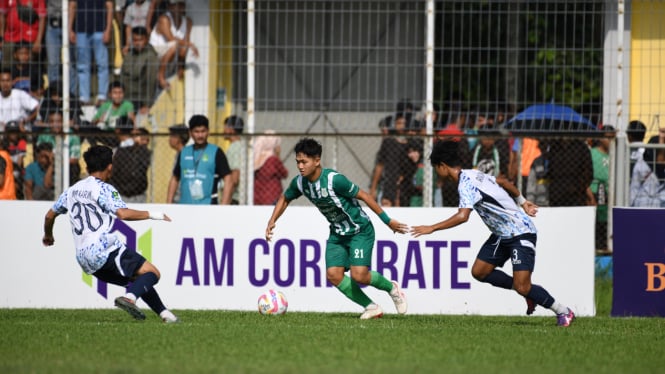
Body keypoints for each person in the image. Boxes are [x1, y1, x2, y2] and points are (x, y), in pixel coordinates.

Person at [410, 140, 575, 327]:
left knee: (523, 286)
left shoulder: (465, 184)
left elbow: (463, 216)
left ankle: (564, 311)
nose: (436, 172)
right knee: (479, 272)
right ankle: (529, 293)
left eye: (435, 168)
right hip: (501, 234)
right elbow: (503, 181)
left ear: (442, 166)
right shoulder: (473, 173)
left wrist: (432, 228)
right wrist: (522, 201)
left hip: (520, 232)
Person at [265, 138, 409, 319]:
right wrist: (272, 220)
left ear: (317, 161)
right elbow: (285, 198)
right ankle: (371, 307)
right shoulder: (300, 183)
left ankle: (392, 289)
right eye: (298, 162)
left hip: (359, 230)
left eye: (304, 162)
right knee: (333, 274)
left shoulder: (334, 180)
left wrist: (387, 220)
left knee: (359, 276)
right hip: (337, 233)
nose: (300, 166)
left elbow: (364, 195)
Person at [42, 145, 178, 322]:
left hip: (84, 259)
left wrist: (48, 235)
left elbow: (49, 215)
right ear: (109, 166)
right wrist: (154, 215)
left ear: (87, 166)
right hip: (103, 249)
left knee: (136, 280)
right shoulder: (104, 189)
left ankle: (166, 315)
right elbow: (123, 214)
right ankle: (129, 299)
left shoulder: (72, 190)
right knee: (153, 273)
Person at [166, 114, 233, 205]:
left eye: (203, 131)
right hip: (184, 206)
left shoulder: (216, 152)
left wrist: (223, 206)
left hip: (208, 207)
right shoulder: (184, 152)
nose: (200, 135)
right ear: (190, 133)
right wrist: (169, 204)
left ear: (208, 131)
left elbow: (228, 179)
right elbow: (175, 178)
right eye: (196, 132)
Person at [68, 0, 113, 105]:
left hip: (100, 29)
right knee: (82, 66)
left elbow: (109, 6)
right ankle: (84, 97)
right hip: (81, 30)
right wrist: (70, 29)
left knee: (102, 64)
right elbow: (72, 5)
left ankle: (102, 95)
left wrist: (108, 29)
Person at [149, 0, 198, 90]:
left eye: (182, 5)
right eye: (177, 5)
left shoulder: (187, 22)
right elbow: (170, 39)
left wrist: (181, 64)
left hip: (171, 52)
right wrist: (191, 45)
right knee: (174, 45)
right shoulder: (164, 19)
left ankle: (179, 68)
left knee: (183, 48)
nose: (181, 8)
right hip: (155, 51)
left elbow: (186, 41)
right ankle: (160, 76)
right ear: (170, 7)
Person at [369, 112, 409, 206]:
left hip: (405, 186)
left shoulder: (411, 143)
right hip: (389, 186)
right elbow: (380, 166)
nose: (402, 126)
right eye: (399, 123)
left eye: (403, 123)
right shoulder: (388, 143)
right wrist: (373, 188)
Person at [109, 116, 151, 203]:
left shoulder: (116, 151)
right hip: (139, 194)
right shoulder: (142, 148)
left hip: (118, 194)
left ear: (117, 130)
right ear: (132, 130)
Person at [35, 109, 82, 186]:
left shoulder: (72, 136)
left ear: (63, 122)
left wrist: (57, 160)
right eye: (52, 122)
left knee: (74, 168)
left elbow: (74, 159)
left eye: (58, 121)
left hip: (66, 166)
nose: (55, 124)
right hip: (46, 164)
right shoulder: (43, 135)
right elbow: (39, 153)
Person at [120, 26, 159, 115]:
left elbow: (151, 82)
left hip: (138, 100)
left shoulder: (150, 57)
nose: (137, 43)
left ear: (147, 39)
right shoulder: (130, 54)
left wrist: (147, 104)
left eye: (140, 40)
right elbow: (122, 76)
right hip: (124, 98)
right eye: (134, 40)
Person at [44, 0, 78, 95]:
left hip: (69, 24)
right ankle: (54, 93)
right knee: (52, 63)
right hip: (52, 25)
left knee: (71, 62)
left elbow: (73, 4)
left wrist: (70, 28)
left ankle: (72, 94)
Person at [589, 126, 614, 252]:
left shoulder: (615, 154)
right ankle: (596, 248)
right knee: (596, 220)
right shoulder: (592, 153)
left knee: (607, 221)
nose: (609, 141)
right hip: (596, 190)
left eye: (611, 138)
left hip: (611, 191)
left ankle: (606, 246)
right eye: (606, 138)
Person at [0, 0, 46, 65]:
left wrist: (38, 40)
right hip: (10, 37)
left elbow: (42, 17)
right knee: (6, 69)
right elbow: (2, 15)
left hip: (31, 37)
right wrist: (1, 38)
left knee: (31, 70)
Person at [253, 131, 288, 205]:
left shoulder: (257, 158)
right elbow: (284, 173)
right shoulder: (273, 159)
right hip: (272, 197)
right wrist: (278, 155)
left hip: (258, 197)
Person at [0, 68, 39, 133]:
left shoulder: (20, 94)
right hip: (3, 133)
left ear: (12, 82)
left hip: (20, 131)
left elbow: (37, 107)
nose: (5, 84)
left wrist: (25, 121)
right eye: (2, 81)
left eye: (8, 81)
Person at [222, 115, 244, 204]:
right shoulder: (241, 145)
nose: (223, 130)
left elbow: (235, 177)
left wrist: (226, 199)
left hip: (233, 198)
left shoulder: (235, 148)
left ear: (231, 129)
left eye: (225, 127)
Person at [167, 123, 188, 204]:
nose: (169, 139)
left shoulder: (184, 155)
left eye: (172, 136)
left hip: (181, 198)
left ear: (179, 138)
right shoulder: (179, 154)